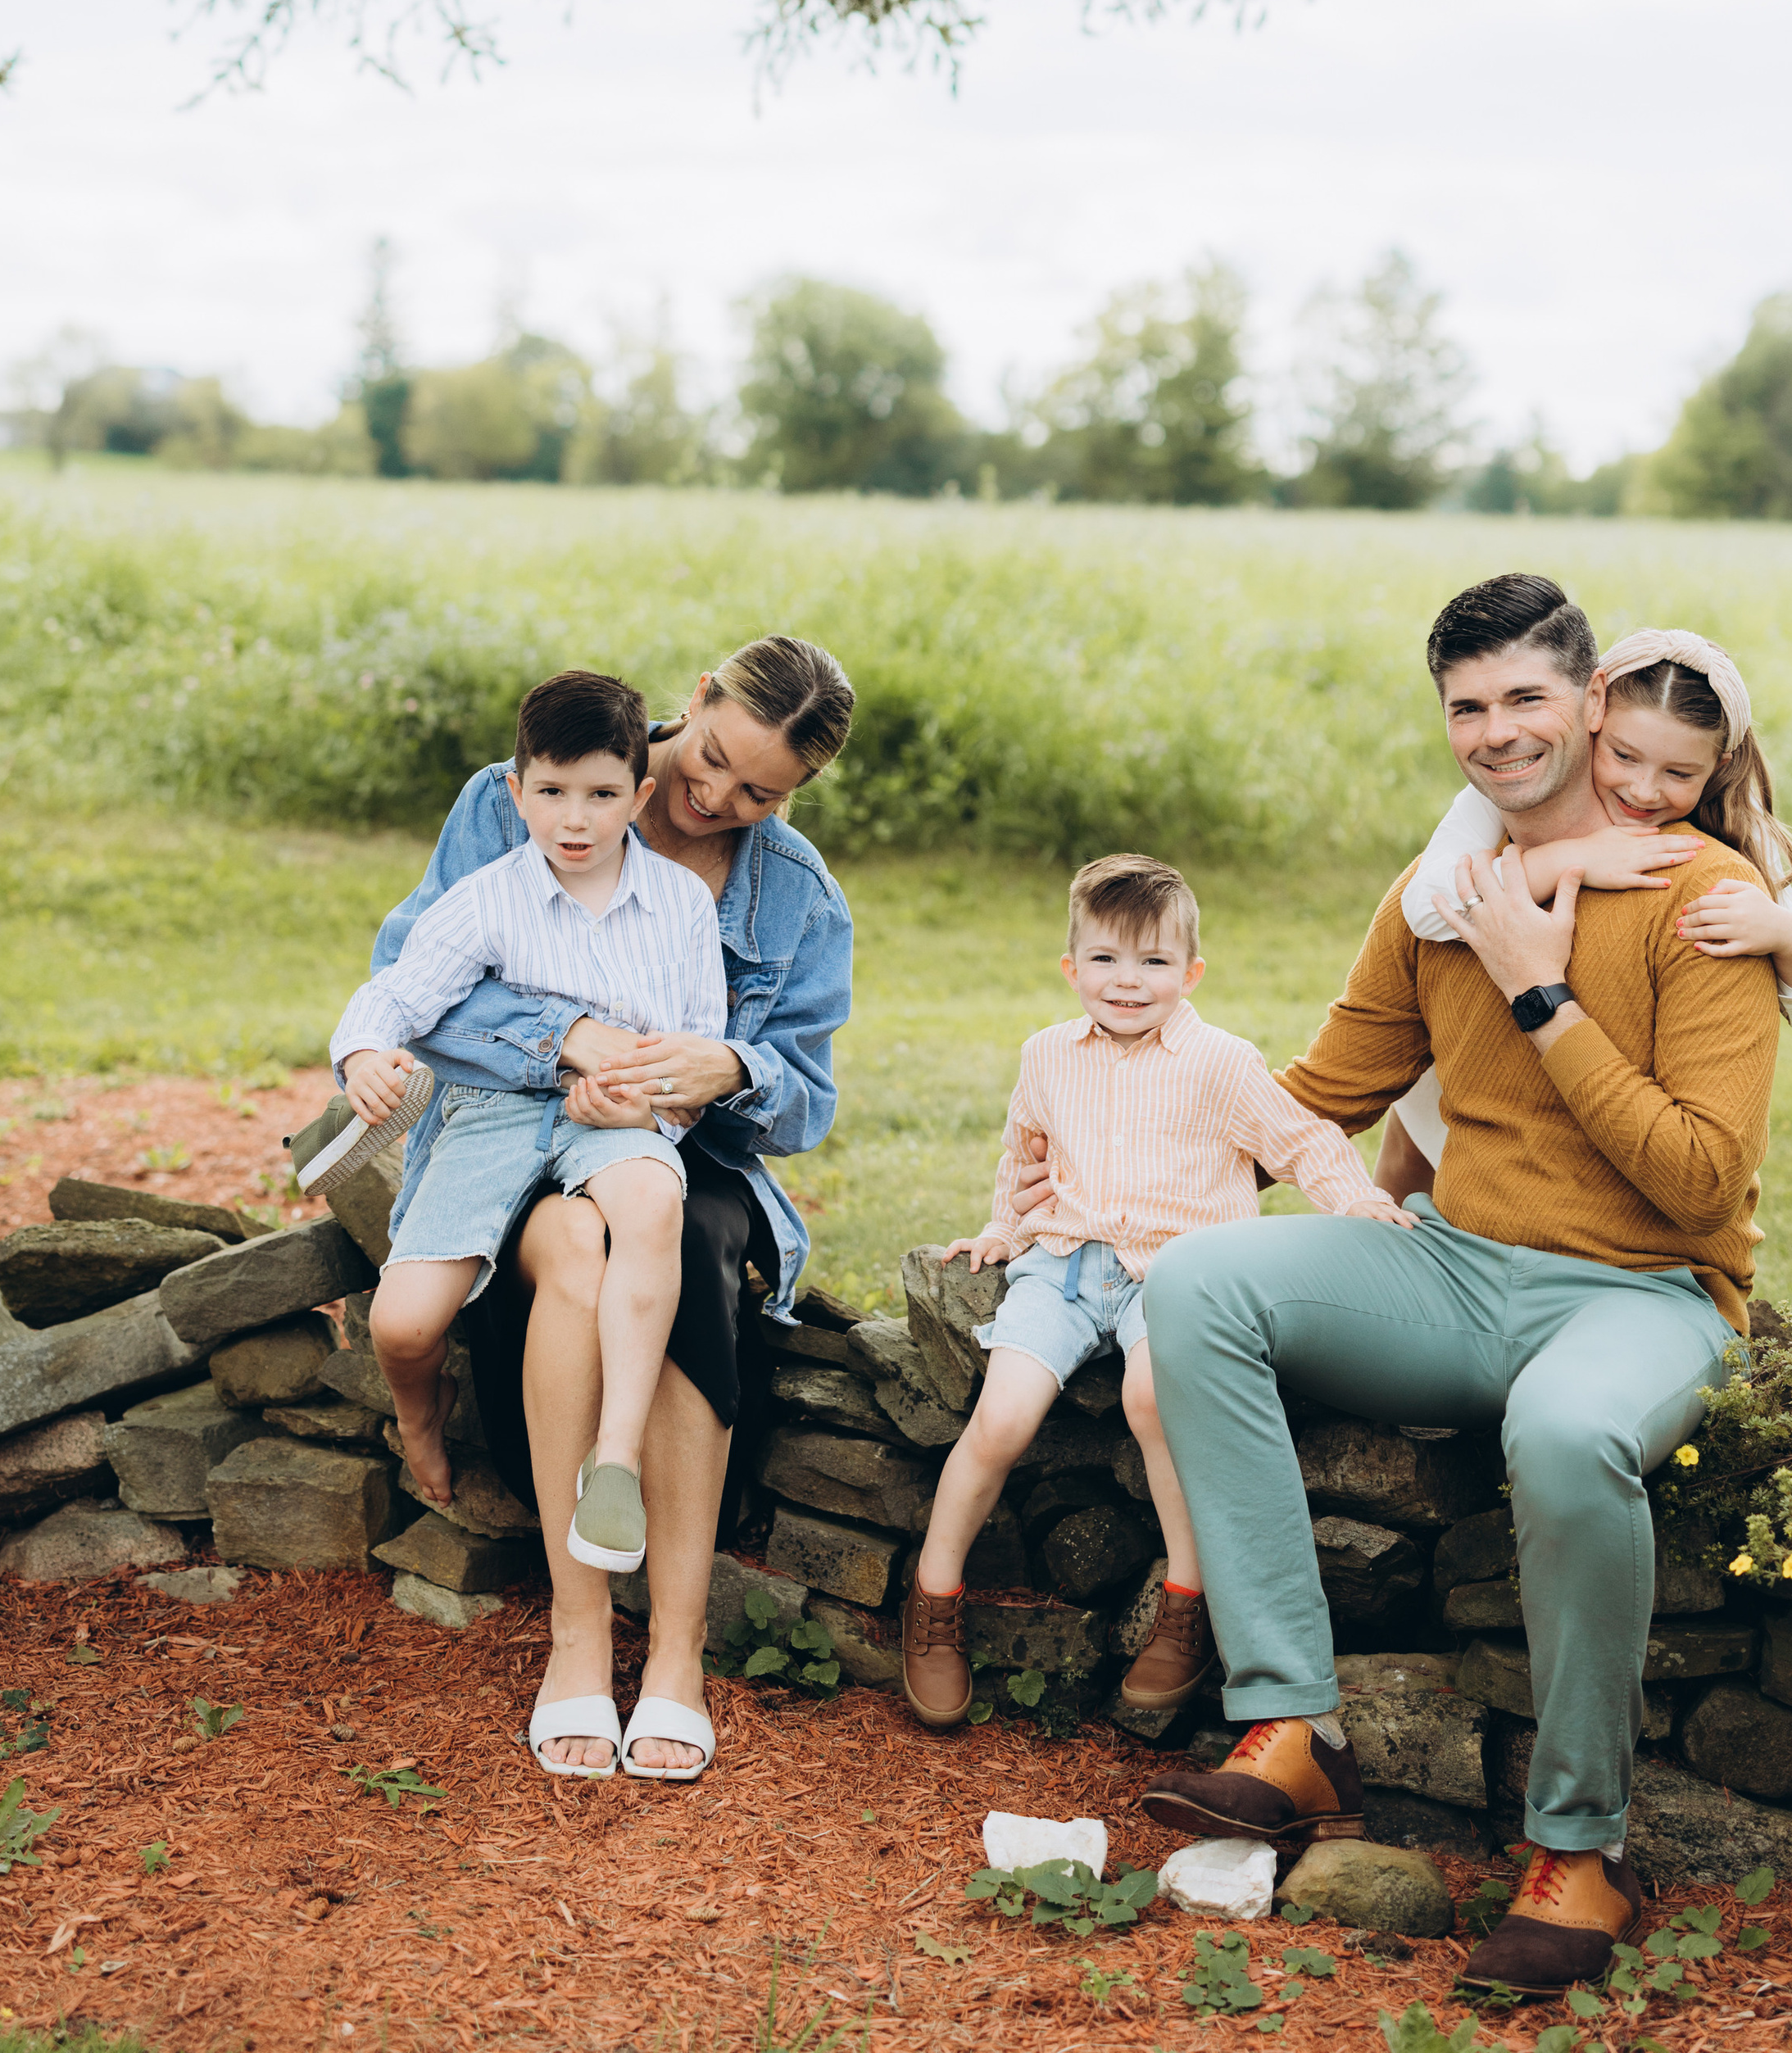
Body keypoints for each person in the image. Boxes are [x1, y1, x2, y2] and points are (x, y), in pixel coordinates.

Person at [1137, 572, 1781, 1996]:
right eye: (1467, 707)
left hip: (1644, 1295)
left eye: (1526, 698)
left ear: (1595, 700)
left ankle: (1580, 1852)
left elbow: (1699, 1183)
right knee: (1196, 1291)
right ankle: (1294, 1732)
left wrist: (1543, 994)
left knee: (1563, 1436)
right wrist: (1093, 1195)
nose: (1496, 732)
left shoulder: (1707, 899)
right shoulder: (1438, 899)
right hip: (1458, 1274)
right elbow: (1321, 1090)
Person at [370, 634, 855, 1781]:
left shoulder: (797, 895)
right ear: (698, 699)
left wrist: (729, 1071)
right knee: (579, 1258)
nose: (720, 797)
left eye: (762, 793)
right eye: (719, 760)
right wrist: (562, 1043)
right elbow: (411, 987)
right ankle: (579, 1639)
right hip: (507, 1132)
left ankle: (677, 1654)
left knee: (681, 1244)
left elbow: (807, 1097)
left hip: (684, 1154)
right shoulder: (522, 797)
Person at [900, 853, 1411, 1732]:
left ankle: (1185, 1602)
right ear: (1071, 968)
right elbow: (1023, 1154)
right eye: (1103, 959)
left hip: (1176, 1271)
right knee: (1004, 1417)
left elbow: (1302, 1143)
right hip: (1065, 1263)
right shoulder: (1047, 1054)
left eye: (1152, 963)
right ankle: (933, 1598)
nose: (1126, 982)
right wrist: (1000, 1230)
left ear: (1190, 973)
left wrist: (1360, 1201)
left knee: (1152, 1399)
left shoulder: (1223, 1063)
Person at [324, 670, 725, 1611]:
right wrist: (363, 1054)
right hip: (493, 1114)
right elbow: (398, 992)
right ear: (515, 792)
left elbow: (695, 1052)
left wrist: (649, 1112)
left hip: (613, 1113)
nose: (574, 819)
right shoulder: (486, 898)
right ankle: (422, 1411)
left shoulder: (679, 907)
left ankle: (615, 1455)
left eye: (599, 794)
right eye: (550, 792)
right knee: (404, 1323)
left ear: (641, 794)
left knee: (652, 1200)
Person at [1374, 622, 1792, 1199]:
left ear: (1719, 765)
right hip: (1472, 1057)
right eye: (1624, 756)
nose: (1645, 791)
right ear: (1593, 716)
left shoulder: (1736, 849)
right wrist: (1572, 857)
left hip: (1595, 1082)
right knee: (1416, 1113)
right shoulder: (1503, 791)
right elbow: (1427, 909)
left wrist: (1787, 937)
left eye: (1679, 774)